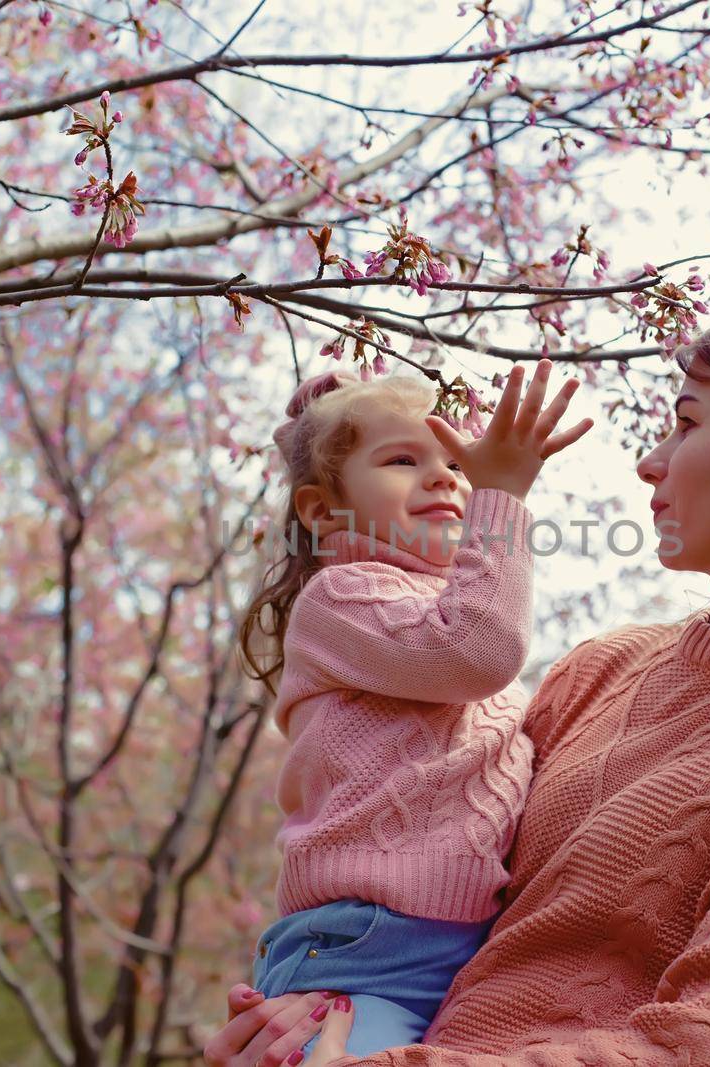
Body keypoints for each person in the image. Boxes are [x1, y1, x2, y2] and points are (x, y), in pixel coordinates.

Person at [209, 300, 710, 1067]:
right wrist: (308, 1015)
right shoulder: (598, 674)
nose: (649, 463)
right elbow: (433, 876)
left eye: (685, 423)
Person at [233, 359, 594, 1062]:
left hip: (463, 949)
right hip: (362, 953)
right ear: (321, 510)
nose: (445, 478)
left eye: (460, 465)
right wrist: (502, 495)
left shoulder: (447, 621)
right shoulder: (342, 600)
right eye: (403, 459)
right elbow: (482, 645)